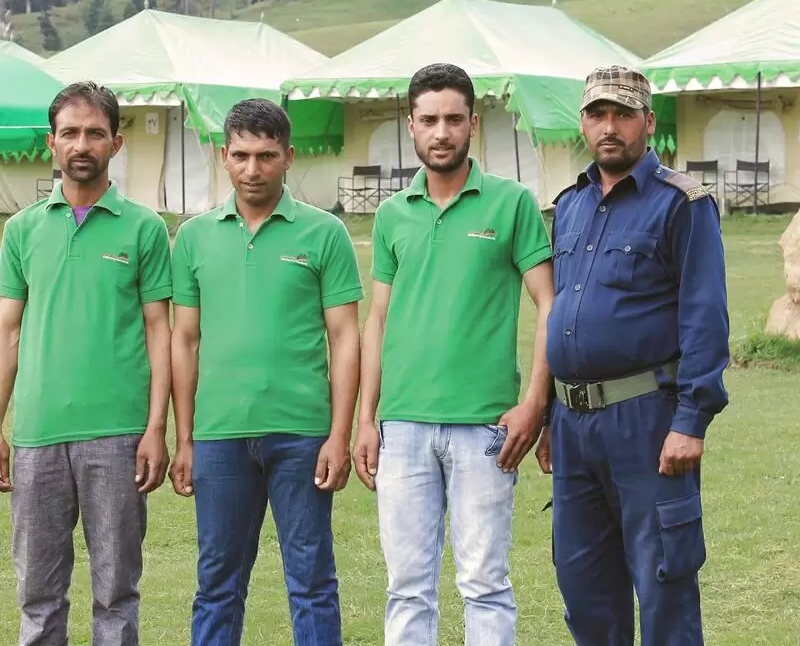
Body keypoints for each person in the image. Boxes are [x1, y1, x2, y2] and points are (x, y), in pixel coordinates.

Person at [354, 62, 555, 645]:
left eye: (452, 119)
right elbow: (379, 318)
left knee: (484, 584)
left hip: (486, 426)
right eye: (428, 120)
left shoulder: (512, 204)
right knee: (407, 586)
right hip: (404, 426)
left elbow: (549, 305)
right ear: (410, 126)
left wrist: (533, 405)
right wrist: (368, 418)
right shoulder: (393, 214)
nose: (440, 132)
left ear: (474, 124)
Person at [539, 65, 730, 646]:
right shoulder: (568, 205)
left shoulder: (681, 203)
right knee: (584, 587)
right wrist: (549, 411)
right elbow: (561, 315)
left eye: (623, 114)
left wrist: (690, 421)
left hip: (647, 420)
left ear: (648, 122)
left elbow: (705, 316)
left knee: (664, 583)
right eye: (597, 114)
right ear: (583, 123)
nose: (610, 127)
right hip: (573, 426)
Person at [169, 98, 363, 646]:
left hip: (302, 434)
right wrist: (184, 438)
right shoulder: (194, 237)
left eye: (267, 156)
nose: (253, 169)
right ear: (222, 156)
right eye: (241, 155)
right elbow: (184, 339)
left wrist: (338, 435)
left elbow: (346, 336)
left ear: (289, 157)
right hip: (219, 435)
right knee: (217, 584)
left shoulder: (325, 234)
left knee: (312, 581)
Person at [0, 81, 172, 645]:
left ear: (116, 144)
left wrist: (155, 429)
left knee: (116, 594)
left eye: (94, 133)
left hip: (118, 435)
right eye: (70, 132)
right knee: (37, 596)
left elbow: (159, 330)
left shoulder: (145, 228)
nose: (82, 143)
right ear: (51, 142)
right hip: (37, 435)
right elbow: (7, 331)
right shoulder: (21, 230)